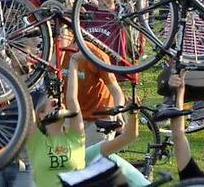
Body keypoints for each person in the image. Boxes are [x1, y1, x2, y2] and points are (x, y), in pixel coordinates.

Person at [28, 52, 140, 187]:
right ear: (40, 115)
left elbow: (129, 136)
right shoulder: (36, 141)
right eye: (53, 103)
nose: (58, 104)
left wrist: (134, 114)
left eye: (60, 104)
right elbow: (25, 99)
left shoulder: (76, 140)